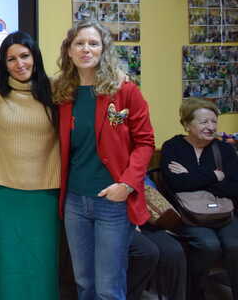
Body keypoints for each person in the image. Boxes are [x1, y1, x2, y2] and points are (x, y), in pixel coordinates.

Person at [52, 20, 154, 300]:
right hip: (75, 201)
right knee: (84, 282)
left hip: (113, 201)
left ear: (103, 49)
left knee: (109, 287)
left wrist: (127, 184)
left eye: (93, 43)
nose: (86, 49)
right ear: (69, 50)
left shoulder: (124, 90)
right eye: (79, 43)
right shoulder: (62, 92)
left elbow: (145, 143)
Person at [0, 30, 60, 300]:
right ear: (3, 65)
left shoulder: (57, 90)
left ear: (35, 57)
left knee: (41, 266)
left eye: (25, 56)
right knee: (6, 265)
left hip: (45, 194)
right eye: (11, 59)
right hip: (3, 192)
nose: (19, 64)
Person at [161, 97, 238, 300]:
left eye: (214, 122)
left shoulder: (225, 149)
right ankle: (194, 293)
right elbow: (175, 184)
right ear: (187, 124)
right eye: (204, 122)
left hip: (223, 213)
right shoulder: (173, 147)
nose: (211, 127)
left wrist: (191, 176)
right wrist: (213, 176)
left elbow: (233, 187)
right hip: (188, 215)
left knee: (234, 245)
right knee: (208, 245)